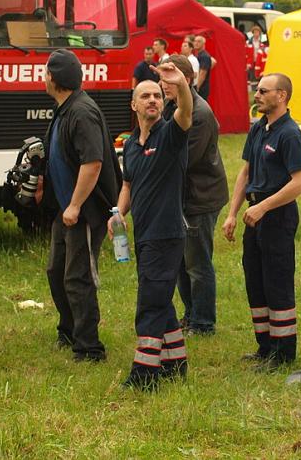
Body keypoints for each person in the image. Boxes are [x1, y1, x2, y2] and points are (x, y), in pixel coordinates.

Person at [112, 62, 193, 390]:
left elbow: (185, 112)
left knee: (150, 302)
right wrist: (117, 214)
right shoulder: (130, 144)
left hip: (168, 233)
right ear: (134, 104)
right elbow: (128, 185)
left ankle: (144, 375)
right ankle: (176, 363)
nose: (152, 100)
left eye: (158, 95)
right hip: (144, 234)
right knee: (160, 298)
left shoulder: (171, 134)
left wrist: (180, 85)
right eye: (145, 96)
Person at [223, 73, 301, 370]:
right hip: (253, 214)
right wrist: (233, 213)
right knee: (255, 281)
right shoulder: (259, 128)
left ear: (281, 96)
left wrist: (264, 208)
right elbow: (245, 173)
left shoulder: (290, 134)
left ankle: (283, 354)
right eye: (256, 90)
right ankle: (265, 347)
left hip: (277, 215)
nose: (256, 95)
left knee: (277, 283)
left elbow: (300, 183)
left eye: (263, 91)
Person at [43, 49, 121, 363]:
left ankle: (89, 348)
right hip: (65, 209)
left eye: (46, 72)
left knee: (78, 277)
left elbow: (93, 163)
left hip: (84, 212)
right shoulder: (64, 108)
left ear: (55, 78)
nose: (43, 77)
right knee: (56, 271)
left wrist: (75, 205)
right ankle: (69, 330)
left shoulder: (82, 111)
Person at [161, 55, 228, 336]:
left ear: (186, 80)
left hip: (200, 198)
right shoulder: (171, 107)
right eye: (162, 78)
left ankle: (203, 323)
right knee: (180, 262)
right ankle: (191, 314)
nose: (164, 85)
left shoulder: (200, 114)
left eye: (170, 79)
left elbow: (184, 159)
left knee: (197, 263)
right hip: (182, 198)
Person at [193, 35, 213, 100]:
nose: (196, 43)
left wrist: (197, 87)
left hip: (202, 88)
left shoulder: (204, 56)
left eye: (199, 41)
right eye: (195, 41)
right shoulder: (198, 55)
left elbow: (202, 73)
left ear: (203, 44)